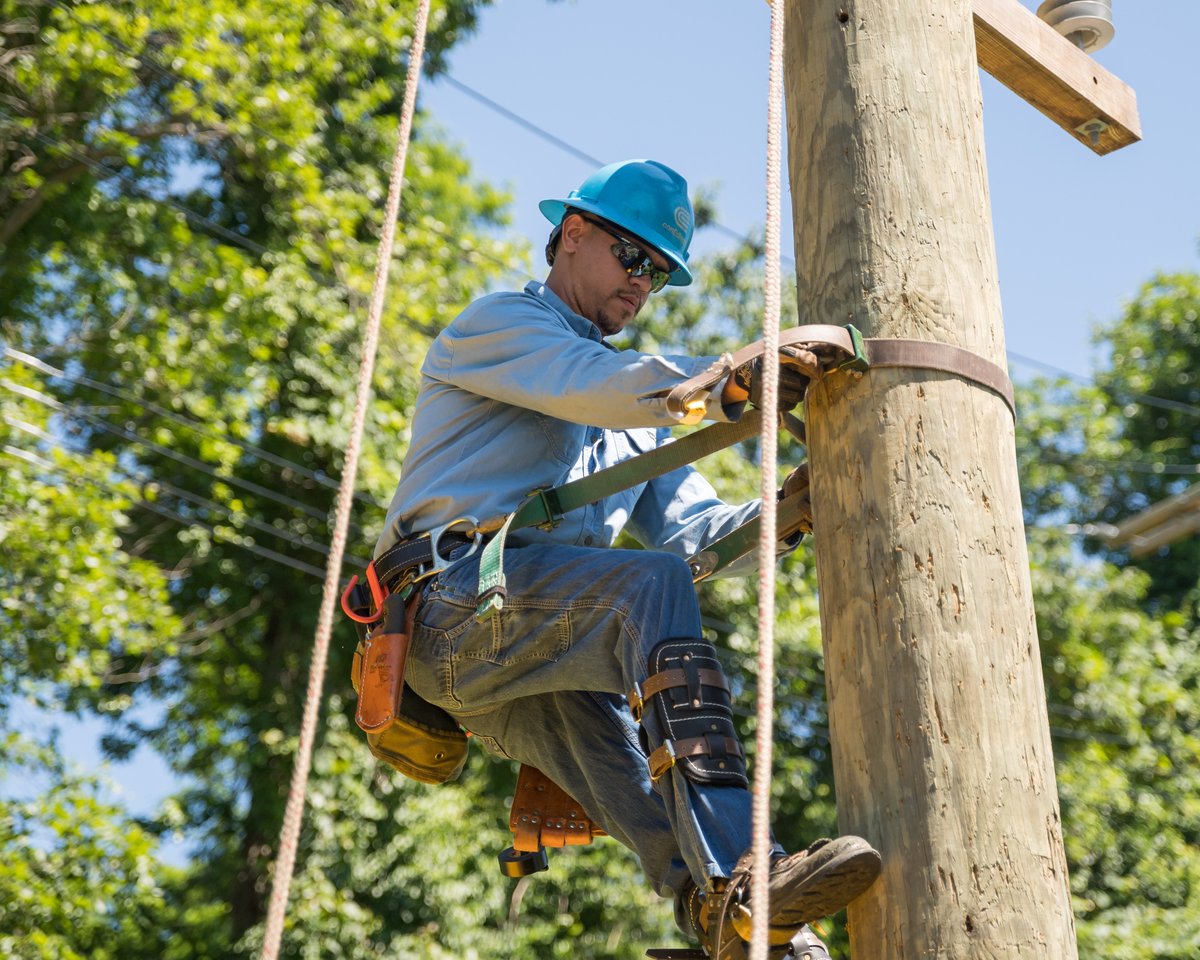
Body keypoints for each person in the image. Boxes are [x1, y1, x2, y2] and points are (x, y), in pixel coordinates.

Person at [374, 159, 880, 958]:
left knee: (622, 730)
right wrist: (730, 384)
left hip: (533, 638)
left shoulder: (635, 413)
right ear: (572, 235)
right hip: (449, 608)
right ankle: (748, 870)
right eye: (633, 257)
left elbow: (697, 532)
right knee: (647, 588)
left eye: (659, 274)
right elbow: (590, 383)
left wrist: (791, 511)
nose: (644, 283)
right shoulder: (503, 326)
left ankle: (729, 915)